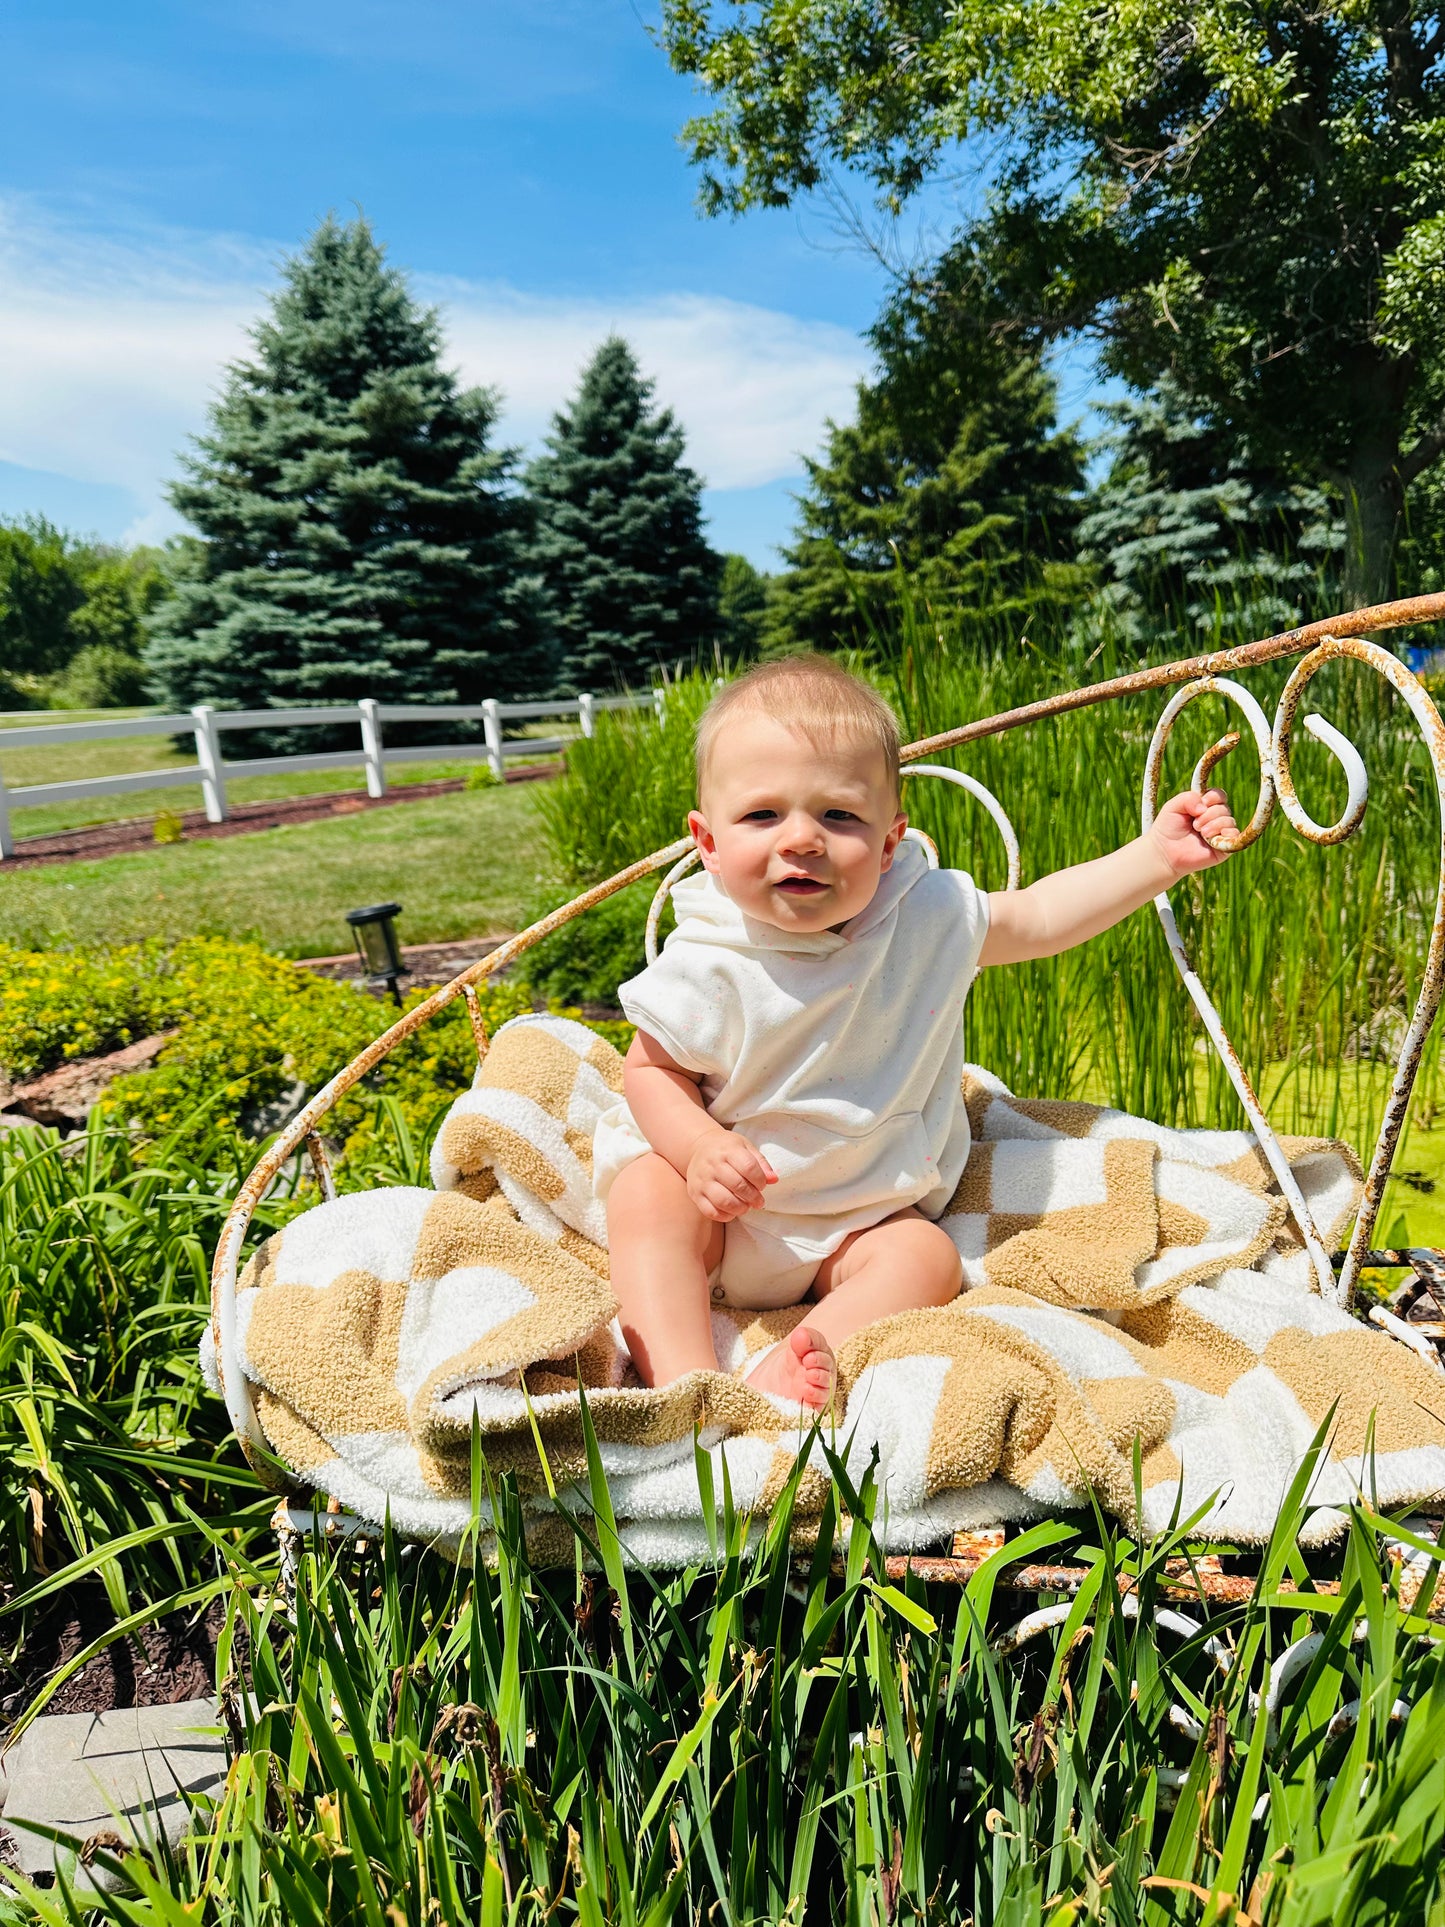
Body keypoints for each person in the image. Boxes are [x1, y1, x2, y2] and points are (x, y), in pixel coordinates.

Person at [592, 656, 1238, 1408]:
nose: (801, 839)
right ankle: (684, 1385)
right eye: (762, 815)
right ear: (705, 841)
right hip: (727, 1215)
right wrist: (697, 1147)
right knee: (646, 1194)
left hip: (859, 1220)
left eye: (838, 816)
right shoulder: (708, 955)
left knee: (926, 1256)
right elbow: (649, 1072)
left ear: (890, 840)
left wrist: (1155, 858)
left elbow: (1036, 918)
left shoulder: (922, 917)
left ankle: (804, 1356)